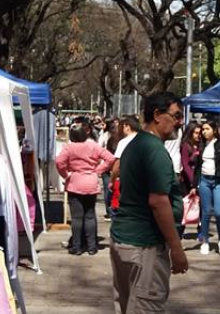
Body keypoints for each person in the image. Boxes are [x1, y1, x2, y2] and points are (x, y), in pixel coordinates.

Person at [111, 93, 188, 314]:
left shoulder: (134, 145)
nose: (180, 122)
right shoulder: (154, 150)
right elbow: (158, 202)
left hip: (125, 242)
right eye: (176, 116)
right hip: (144, 247)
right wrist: (176, 248)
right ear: (157, 115)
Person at [56, 122, 116, 255]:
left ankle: (76, 247)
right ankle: (92, 247)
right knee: (90, 216)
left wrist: (65, 174)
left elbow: (59, 162)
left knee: (77, 218)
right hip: (91, 181)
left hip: (75, 181)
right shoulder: (93, 145)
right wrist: (98, 170)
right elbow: (110, 158)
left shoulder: (69, 147)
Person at [196, 121, 220, 256]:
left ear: (214, 130)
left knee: (218, 212)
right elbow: (198, 167)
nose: (204, 132)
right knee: (206, 212)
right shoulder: (201, 145)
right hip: (204, 181)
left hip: (219, 182)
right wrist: (195, 184)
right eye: (203, 129)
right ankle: (205, 241)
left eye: (207, 129)